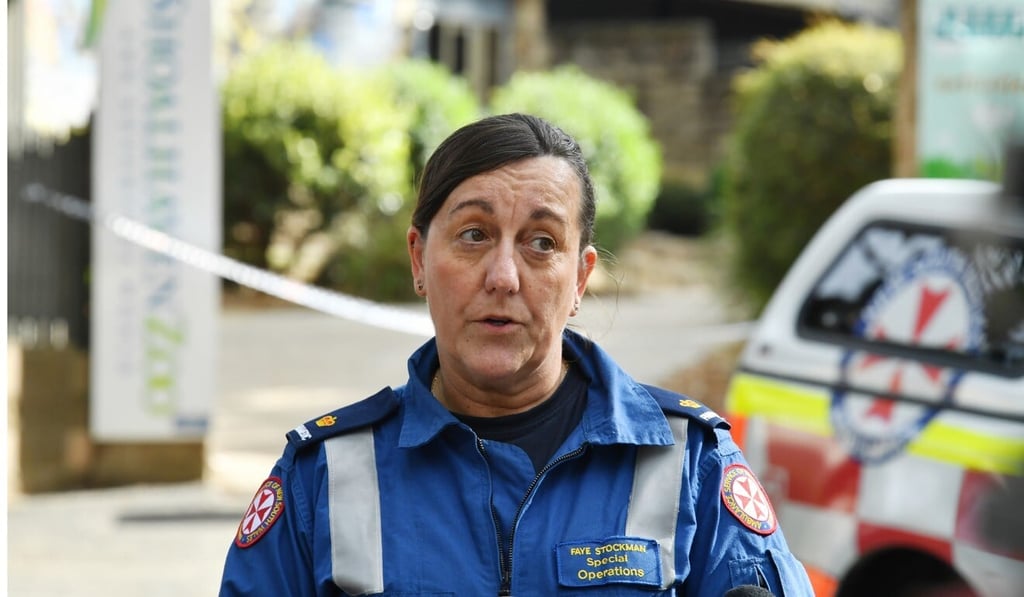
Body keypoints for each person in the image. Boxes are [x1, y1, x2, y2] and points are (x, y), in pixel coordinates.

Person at [219, 113, 815, 596]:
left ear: (580, 279)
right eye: (474, 235)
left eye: (541, 243)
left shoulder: (689, 466)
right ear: (417, 259)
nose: (503, 276)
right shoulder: (323, 478)